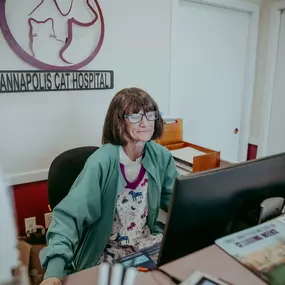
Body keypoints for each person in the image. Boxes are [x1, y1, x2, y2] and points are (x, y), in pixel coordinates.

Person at [39, 87, 179, 284]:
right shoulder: (101, 162)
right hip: (106, 252)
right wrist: (54, 270)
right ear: (118, 121)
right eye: (135, 116)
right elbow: (68, 217)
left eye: (150, 114)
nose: (146, 122)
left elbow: (179, 201)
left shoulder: (161, 156)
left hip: (145, 244)